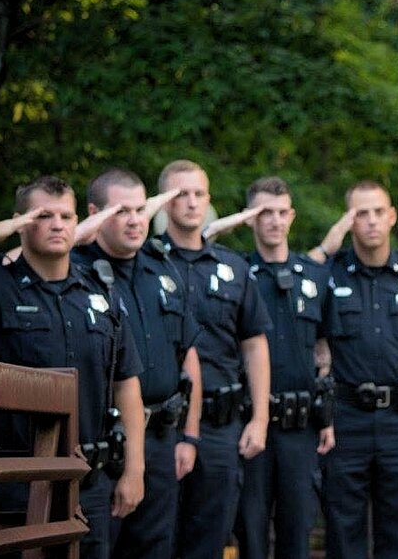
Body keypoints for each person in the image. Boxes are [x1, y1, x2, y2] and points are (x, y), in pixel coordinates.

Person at [0, 176, 146, 559]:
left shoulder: (101, 292)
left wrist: (135, 469)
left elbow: (127, 383)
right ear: (20, 222)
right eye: (44, 215)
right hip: (14, 479)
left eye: (66, 216)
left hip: (89, 477)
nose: (58, 225)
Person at [310, 180, 398, 559]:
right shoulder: (327, 275)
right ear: (348, 221)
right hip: (345, 420)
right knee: (343, 530)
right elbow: (292, 292)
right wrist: (326, 246)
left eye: (377, 212)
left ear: (391, 217)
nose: (370, 221)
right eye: (360, 213)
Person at [73, 168, 203, 559]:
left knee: (154, 548)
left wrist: (190, 437)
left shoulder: (162, 268)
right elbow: (12, 264)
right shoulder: (73, 270)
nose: (134, 220)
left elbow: (188, 356)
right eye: (121, 211)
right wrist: (80, 233)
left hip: (163, 437)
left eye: (140, 210)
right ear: (94, 213)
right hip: (104, 440)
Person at [157, 159, 273, 559]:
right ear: (163, 203)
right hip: (162, 425)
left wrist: (259, 419)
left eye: (199, 194)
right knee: (157, 534)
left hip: (221, 425)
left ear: (209, 200)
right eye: (180, 194)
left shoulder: (234, 267)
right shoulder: (147, 264)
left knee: (210, 534)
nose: (191, 202)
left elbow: (254, 344)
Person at [232, 176, 340, 559]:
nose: (275, 221)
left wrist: (326, 416)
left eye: (281, 213)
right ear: (250, 218)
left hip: (301, 427)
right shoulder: (237, 275)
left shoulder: (315, 277)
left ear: (292, 216)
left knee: (298, 532)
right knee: (251, 533)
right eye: (265, 213)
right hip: (250, 424)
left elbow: (324, 351)